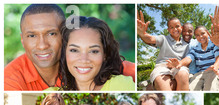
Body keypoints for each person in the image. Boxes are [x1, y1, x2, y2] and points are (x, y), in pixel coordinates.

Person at [4, 4, 135, 91]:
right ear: (22, 39)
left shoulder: (121, 81)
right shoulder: (9, 80)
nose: (42, 45)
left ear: (64, 36)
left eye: (51, 33)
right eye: (32, 36)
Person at [45, 16, 134, 91]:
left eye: (93, 51)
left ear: (105, 55)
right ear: (64, 53)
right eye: (74, 50)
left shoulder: (122, 85)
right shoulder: (51, 94)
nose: (84, 60)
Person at [137, 11, 190, 91]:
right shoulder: (163, 38)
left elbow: (188, 58)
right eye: (171, 27)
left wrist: (179, 63)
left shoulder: (186, 44)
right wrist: (142, 34)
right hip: (162, 66)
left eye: (177, 26)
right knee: (161, 81)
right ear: (168, 30)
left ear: (181, 28)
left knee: (183, 75)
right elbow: (150, 39)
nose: (175, 29)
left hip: (178, 66)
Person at [167, 25, 219, 91]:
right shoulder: (195, 48)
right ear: (195, 37)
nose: (201, 37)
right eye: (197, 35)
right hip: (200, 74)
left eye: (202, 33)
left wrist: (215, 66)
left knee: (210, 87)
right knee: (192, 88)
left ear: (207, 33)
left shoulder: (214, 44)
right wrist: (180, 63)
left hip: (213, 72)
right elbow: (189, 58)